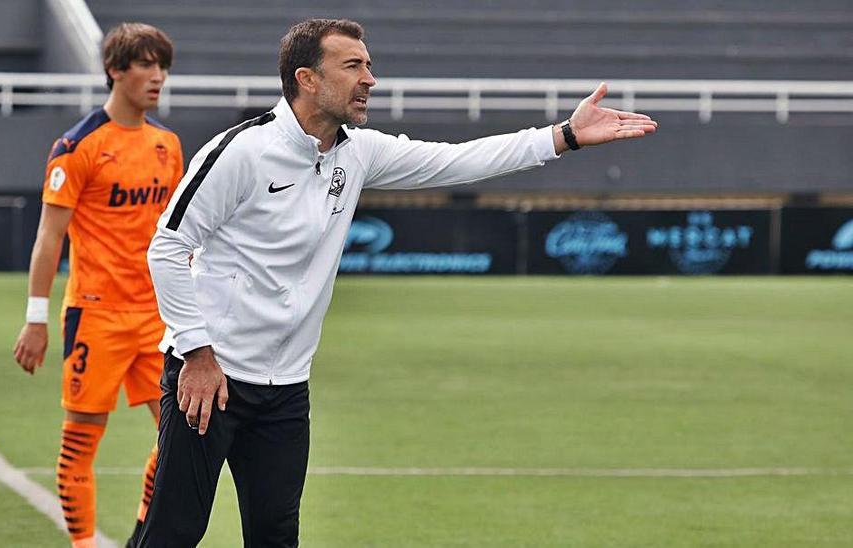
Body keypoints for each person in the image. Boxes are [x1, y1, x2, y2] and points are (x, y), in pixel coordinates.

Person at [139, 18, 658, 546]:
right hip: (211, 378)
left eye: (369, 65)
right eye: (353, 66)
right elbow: (168, 246)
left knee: (276, 535)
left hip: (286, 389)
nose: (371, 79)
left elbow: (457, 161)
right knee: (174, 534)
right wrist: (197, 353)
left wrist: (564, 136)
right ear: (307, 79)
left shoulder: (358, 152)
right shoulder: (241, 152)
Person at [10, 23, 184, 548]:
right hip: (96, 314)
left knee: (180, 437)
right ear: (115, 70)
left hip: (158, 319)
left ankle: (140, 536)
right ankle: (83, 543)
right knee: (81, 441)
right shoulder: (77, 146)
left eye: (163, 67)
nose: (157, 77)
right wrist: (36, 319)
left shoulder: (167, 145)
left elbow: (180, 233)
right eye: (146, 65)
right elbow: (49, 238)